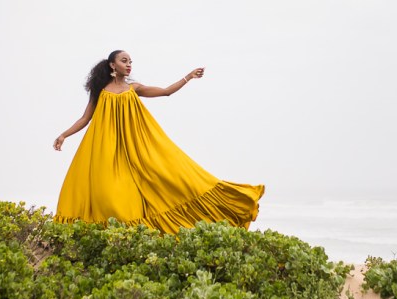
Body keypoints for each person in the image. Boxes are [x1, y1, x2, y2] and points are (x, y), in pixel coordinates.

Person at [53, 50, 264, 234]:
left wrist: (188, 77)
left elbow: (165, 92)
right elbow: (85, 118)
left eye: (130, 62)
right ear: (112, 65)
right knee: (108, 194)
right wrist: (64, 135)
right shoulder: (99, 91)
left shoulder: (133, 88)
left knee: (169, 178)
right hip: (105, 149)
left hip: (136, 147)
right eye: (124, 61)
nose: (129, 65)